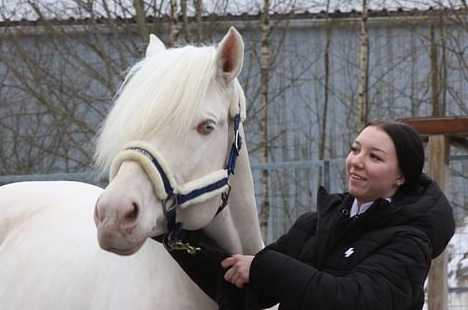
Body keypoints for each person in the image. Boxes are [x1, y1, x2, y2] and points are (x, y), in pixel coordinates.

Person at [168, 120, 455, 310]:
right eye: (355, 149)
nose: (357, 161)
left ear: (401, 176)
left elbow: (352, 300)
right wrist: (177, 239)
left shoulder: (410, 241)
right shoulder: (313, 224)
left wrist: (264, 267)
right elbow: (247, 290)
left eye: (375, 157)